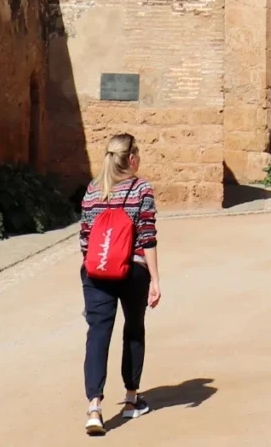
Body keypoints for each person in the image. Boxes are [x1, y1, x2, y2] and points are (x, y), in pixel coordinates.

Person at [78, 133, 161, 437]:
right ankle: (130, 398)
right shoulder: (141, 189)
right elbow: (147, 237)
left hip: (96, 272)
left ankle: (94, 407)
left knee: (98, 333)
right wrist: (155, 279)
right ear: (133, 158)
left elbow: (85, 239)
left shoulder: (92, 190)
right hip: (133, 271)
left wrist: (97, 265)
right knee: (134, 328)